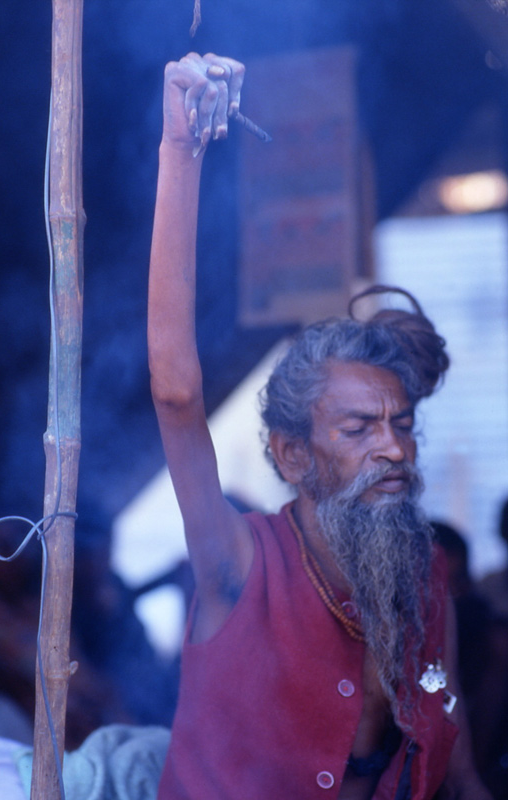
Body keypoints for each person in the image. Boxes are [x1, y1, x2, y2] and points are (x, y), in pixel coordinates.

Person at [148, 52, 491, 800]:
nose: (393, 448)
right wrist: (180, 149)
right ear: (293, 455)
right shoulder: (237, 563)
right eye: (359, 429)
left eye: (402, 424)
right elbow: (175, 393)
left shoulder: (427, 573)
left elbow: (456, 764)